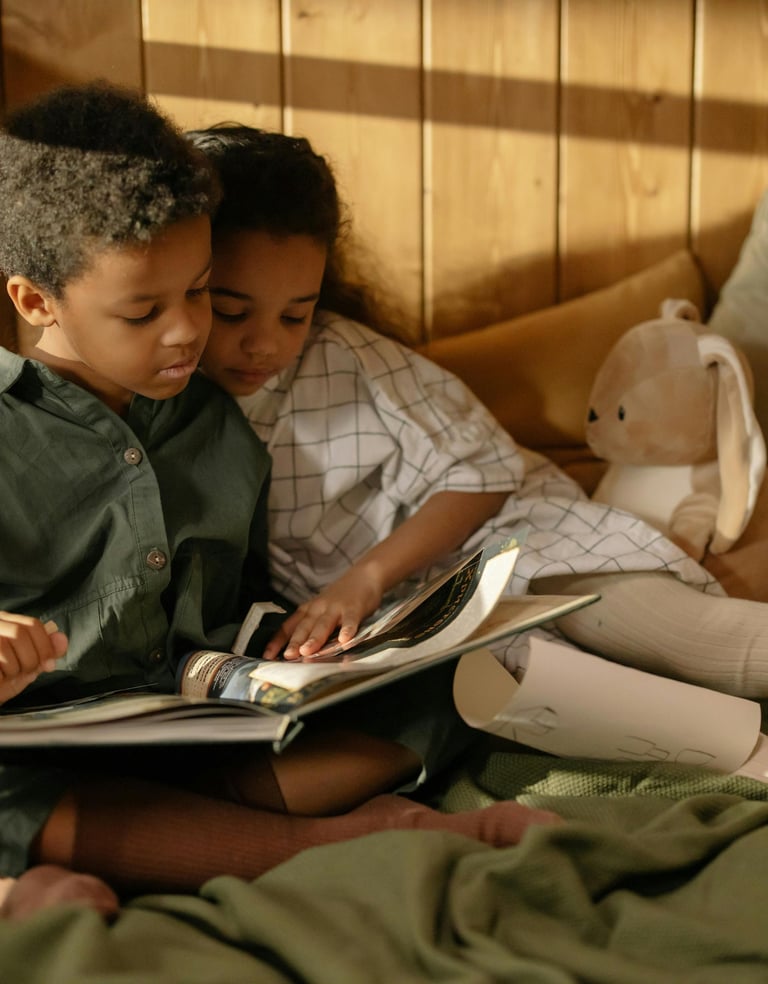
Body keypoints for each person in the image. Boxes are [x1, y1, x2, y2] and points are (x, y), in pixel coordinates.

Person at [0, 82, 559, 921]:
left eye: (198, 292)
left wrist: (306, 653)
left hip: (197, 732)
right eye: (144, 311)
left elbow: (241, 603)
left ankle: (197, 829)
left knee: (462, 676)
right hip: (42, 753)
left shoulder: (219, 427)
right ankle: (344, 841)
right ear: (36, 301)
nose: (187, 331)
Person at [189, 123, 768, 699]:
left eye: (295, 315)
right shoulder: (172, 399)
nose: (265, 344)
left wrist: (363, 580)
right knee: (620, 702)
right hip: (411, 621)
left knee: (696, 643)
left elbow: (484, 475)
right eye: (233, 312)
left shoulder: (342, 355)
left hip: (512, 543)